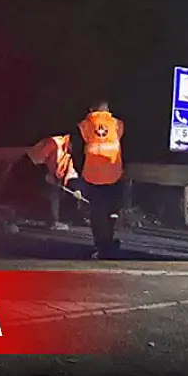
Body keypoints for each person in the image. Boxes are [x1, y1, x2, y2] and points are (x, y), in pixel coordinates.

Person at [76, 100, 125, 260]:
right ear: (107, 109)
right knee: (110, 211)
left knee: (97, 213)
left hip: (93, 175)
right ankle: (108, 242)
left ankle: (102, 246)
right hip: (114, 174)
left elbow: (78, 148)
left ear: (91, 109)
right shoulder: (117, 124)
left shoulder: (86, 125)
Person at [26, 131, 79, 230]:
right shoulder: (52, 143)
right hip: (31, 173)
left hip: (52, 178)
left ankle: (67, 218)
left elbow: (70, 173)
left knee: (62, 192)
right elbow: (33, 162)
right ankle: (52, 221)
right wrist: (45, 175)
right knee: (53, 192)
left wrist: (76, 189)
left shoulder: (69, 154)